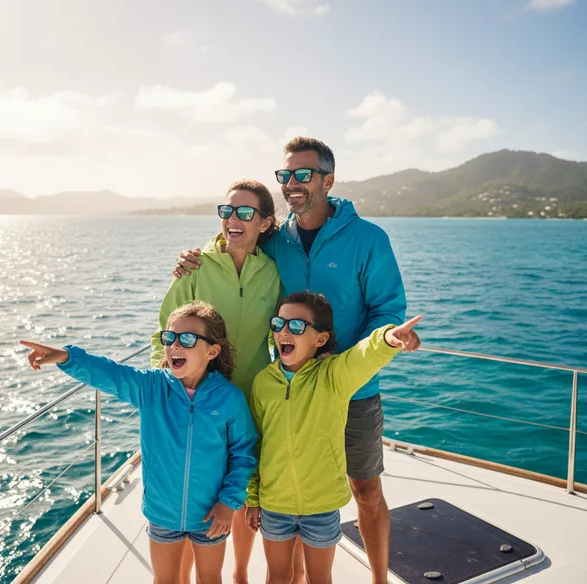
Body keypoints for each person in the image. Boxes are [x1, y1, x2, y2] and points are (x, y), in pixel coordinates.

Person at [174, 137, 420, 584]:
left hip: (352, 388)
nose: (292, 184)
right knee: (290, 491)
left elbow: (388, 308)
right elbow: (237, 238)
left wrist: (351, 361)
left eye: (303, 174)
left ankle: (380, 579)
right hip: (286, 393)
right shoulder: (275, 240)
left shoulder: (368, 239)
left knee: (365, 489)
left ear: (328, 179)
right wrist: (194, 256)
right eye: (284, 175)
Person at [21, 301, 257, 584]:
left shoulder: (229, 399)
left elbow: (243, 454)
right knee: (164, 579)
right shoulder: (151, 387)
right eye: (169, 338)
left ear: (212, 350)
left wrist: (228, 502)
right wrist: (65, 357)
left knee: (209, 578)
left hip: (211, 513)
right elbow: (110, 373)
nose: (175, 346)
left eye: (188, 339)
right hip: (162, 512)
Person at [151, 180, 303, 584]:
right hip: (196, 399)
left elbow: (283, 333)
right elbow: (162, 332)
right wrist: (172, 385)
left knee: (241, 489)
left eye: (245, 213)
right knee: (194, 494)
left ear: (266, 222)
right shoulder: (196, 266)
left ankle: (238, 573)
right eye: (227, 210)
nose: (232, 219)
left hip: (250, 396)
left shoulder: (273, 273)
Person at [245, 291, 422, 584]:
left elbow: (364, 356)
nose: (284, 331)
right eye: (278, 324)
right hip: (274, 504)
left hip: (321, 506)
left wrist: (388, 338)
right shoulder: (264, 382)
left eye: (297, 326)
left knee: (320, 577)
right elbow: (256, 444)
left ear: (320, 339)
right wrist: (253, 498)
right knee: (277, 576)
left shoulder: (334, 376)